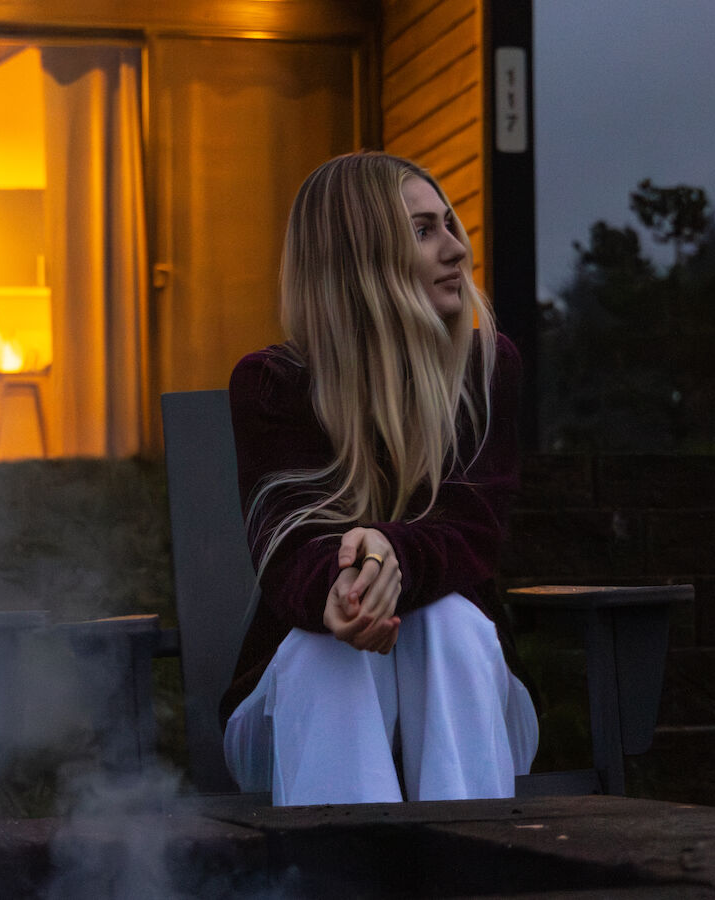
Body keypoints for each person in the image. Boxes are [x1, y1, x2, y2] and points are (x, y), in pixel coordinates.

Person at [220, 151, 538, 805]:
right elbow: (288, 544)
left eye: (451, 225)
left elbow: (472, 530)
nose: (456, 249)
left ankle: (463, 868)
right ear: (359, 257)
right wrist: (341, 592)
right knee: (326, 648)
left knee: (449, 619)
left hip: (466, 698)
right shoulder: (273, 386)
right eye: (424, 231)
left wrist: (393, 554)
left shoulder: (484, 371)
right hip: (294, 713)